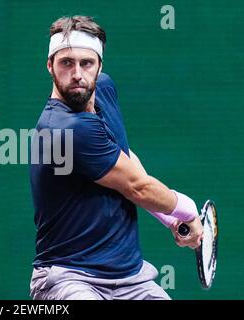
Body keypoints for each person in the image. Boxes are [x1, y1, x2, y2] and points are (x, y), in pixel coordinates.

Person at [29, 15, 203, 300]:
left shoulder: (104, 89)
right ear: (50, 65)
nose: (77, 74)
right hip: (69, 278)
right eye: (66, 63)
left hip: (132, 277)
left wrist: (170, 218)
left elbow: (125, 163)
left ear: (99, 67)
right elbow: (137, 187)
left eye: (87, 63)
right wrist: (186, 208)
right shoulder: (64, 127)